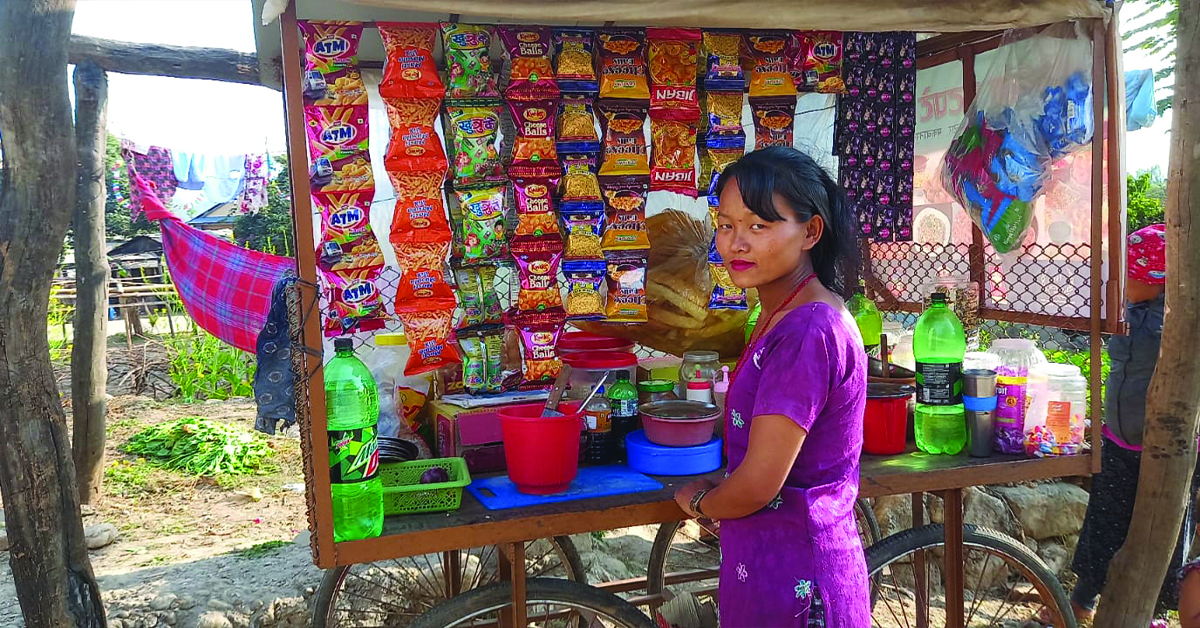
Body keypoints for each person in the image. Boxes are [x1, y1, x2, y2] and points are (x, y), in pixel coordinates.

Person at [673, 146, 869, 627]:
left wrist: (700, 502)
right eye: (725, 225)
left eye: (758, 226)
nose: (737, 243)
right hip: (771, 572)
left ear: (811, 231)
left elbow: (760, 484)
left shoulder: (807, 330)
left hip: (799, 588)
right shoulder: (781, 312)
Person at [1067, 224, 1200, 623]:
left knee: (1165, 532)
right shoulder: (1125, 314)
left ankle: (1153, 612)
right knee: (1103, 525)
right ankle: (1082, 603)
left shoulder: (1179, 325)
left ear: (1155, 280)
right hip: (1119, 441)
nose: (1122, 283)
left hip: (1168, 453)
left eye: (1131, 276)